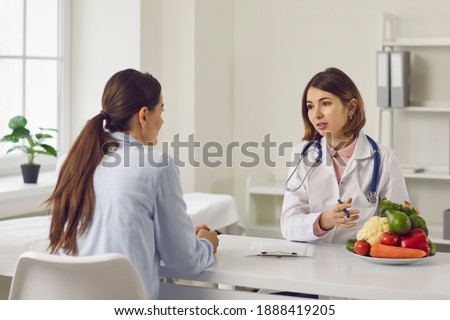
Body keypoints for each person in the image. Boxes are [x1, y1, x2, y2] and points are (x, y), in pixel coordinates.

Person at [47, 68, 219, 299]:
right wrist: (205, 245)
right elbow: (185, 262)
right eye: (161, 110)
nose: (162, 120)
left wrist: (186, 235)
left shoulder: (69, 162)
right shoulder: (158, 165)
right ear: (144, 115)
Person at [281, 67, 409, 244]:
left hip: (362, 263)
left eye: (325, 103)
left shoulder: (385, 158)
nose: (316, 114)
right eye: (310, 106)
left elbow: (401, 224)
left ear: (351, 107)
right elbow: (288, 225)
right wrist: (324, 221)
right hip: (311, 263)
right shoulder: (301, 155)